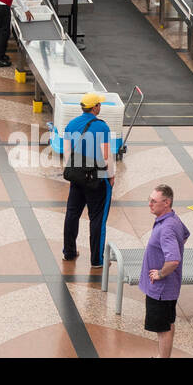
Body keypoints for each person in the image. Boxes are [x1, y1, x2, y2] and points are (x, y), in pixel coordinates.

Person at [61, 92, 114, 267]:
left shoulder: (70, 125)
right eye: (99, 104)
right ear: (95, 107)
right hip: (97, 178)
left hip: (77, 177)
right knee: (97, 218)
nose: (101, 107)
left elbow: (67, 155)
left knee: (72, 214)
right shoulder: (102, 127)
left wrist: (75, 173)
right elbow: (107, 157)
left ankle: (68, 252)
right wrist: (111, 176)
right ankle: (97, 260)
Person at [141, 184, 189, 358]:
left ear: (166, 202)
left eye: (154, 201)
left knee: (162, 328)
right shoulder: (172, 219)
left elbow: (174, 259)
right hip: (169, 288)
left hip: (161, 289)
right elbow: (184, 235)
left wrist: (160, 273)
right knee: (167, 323)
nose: (150, 204)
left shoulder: (166, 228)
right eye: (150, 200)